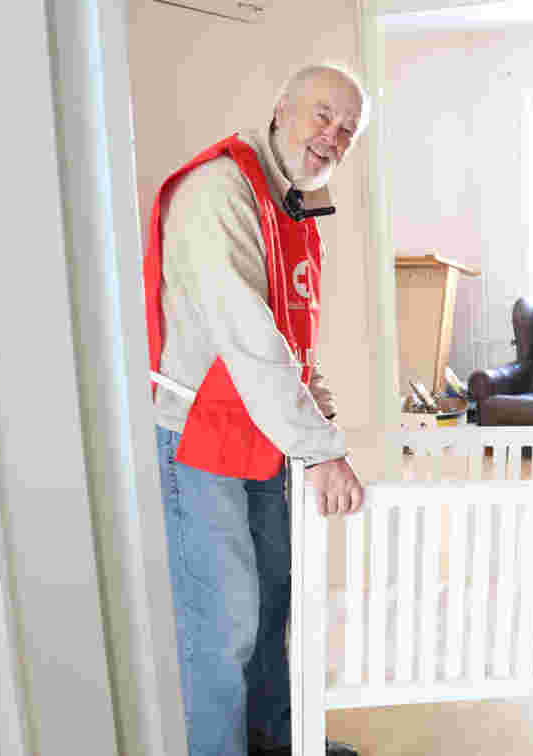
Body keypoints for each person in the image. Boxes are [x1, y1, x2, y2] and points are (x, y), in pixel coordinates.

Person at [143, 64, 370, 756]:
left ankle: (277, 736)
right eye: (322, 116)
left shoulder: (290, 204)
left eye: (347, 130)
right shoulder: (219, 190)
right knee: (224, 621)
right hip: (204, 437)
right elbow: (243, 332)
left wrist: (311, 395)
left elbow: (285, 334)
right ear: (281, 109)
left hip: (261, 433)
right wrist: (322, 448)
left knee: (276, 598)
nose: (332, 136)